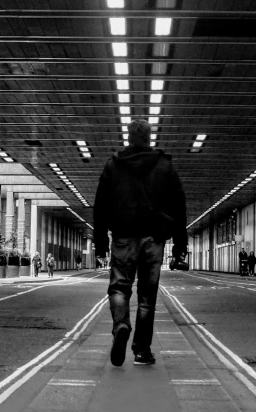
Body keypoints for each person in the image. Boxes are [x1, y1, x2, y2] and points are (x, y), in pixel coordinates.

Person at [94, 119, 188, 367]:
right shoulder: (165, 167)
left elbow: (101, 206)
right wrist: (180, 246)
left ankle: (121, 325)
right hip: (153, 239)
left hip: (124, 236)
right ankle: (142, 351)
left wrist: (101, 242)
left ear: (129, 138)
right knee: (147, 298)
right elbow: (179, 207)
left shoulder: (113, 166)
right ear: (149, 138)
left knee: (118, 289)